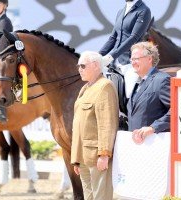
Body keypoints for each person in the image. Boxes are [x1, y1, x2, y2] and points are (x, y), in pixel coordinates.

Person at [71, 51, 119, 200]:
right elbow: (79, 125)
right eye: (79, 66)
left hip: (96, 156)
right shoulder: (85, 88)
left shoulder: (105, 86)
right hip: (83, 155)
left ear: (96, 65)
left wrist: (104, 154)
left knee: (101, 197)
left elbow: (107, 123)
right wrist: (76, 158)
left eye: (83, 66)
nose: (80, 69)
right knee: (89, 197)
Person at [99, 0, 151, 98]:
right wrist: (98, 55)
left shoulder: (144, 11)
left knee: (129, 96)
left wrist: (111, 56)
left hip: (130, 63)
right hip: (114, 63)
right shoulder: (121, 11)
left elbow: (134, 38)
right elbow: (113, 38)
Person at [127, 41, 170, 143]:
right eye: (132, 59)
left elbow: (177, 109)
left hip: (155, 144)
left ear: (149, 59)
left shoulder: (162, 80)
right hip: (136, 146)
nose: (133, 63)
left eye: (136, 59)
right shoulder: (137, 82)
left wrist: (153, 127)